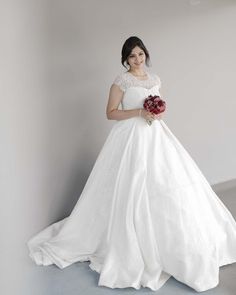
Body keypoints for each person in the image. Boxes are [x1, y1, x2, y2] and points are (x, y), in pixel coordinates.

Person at [27, 36, 236, 292]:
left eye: (139, 54)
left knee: (166, 181)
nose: (136, 59)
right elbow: (111, 112)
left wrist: (157, 112)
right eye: (131, 56)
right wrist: (140, 112)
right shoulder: (121, 81)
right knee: (131, 183)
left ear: (145, 54)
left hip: (156, 136)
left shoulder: (155, 79)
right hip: (129, 138)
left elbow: (160, 108)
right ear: (125, 59)